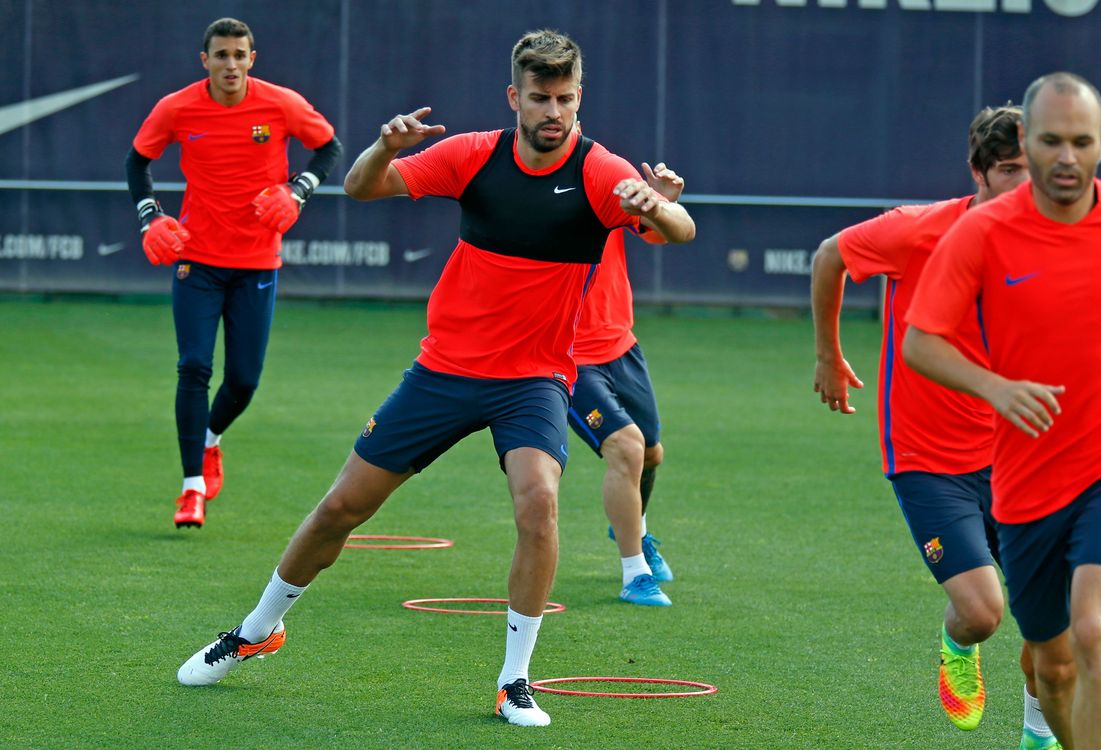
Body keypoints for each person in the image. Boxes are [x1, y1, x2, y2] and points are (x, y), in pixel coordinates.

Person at [175, 29, 695, 729]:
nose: (553, 112)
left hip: (534, 379)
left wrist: (655, 205)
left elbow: (681, 229)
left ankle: (514, 681)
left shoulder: (602, 171)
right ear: (514, 97)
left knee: (539, 504)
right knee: (340, 509)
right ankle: (255, 631)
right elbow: (362, 187)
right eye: (539, 98)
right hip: (444, 371)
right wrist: (384, 147)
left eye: (565, 99)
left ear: (580, 99)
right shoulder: (473, 155)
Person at [904, 72, 1101, 750]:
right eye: (1052, 141)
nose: (1067, 158)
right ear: (1026, 140)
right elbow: (921, 342)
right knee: (1053, 670)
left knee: (1094, 629)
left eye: (1082, 142)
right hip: (1025, 476)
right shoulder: (983, 232)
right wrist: (995, 388)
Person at [813, 105, 1063, 749]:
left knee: (1052, 619)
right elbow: (829, 256)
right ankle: (957, 642)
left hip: (1021, 454)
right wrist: (829, 355)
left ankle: (1038, 733)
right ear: (978, 172)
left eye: (1032, 169)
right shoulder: (918, 230)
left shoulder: (1053, 242)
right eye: (1009, 170)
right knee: (983, 612)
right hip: (929, 459)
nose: (1024, 183)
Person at [125, 17, 342, 529]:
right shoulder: (176, 108)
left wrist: (297, 191)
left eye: (239, 55)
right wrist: (150, 217)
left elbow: (329, 147)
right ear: (205, 61)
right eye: (221, 55)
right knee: (193, 367)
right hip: (196, 259)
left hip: (256, 262)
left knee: (243, 381)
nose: (230, 64)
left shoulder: (281, 104)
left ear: (251, 59)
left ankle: (210, 439)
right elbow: (137, 162)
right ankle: (191, 488)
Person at [568, 160, 684, 607]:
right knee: (627, 447)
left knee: (651, 452)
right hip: (566, 357)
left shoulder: (606, 176)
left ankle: (633, 526)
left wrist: (660, 203)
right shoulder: (524, 188)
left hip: (620, 346)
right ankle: (635, 573)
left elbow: (661, 231)